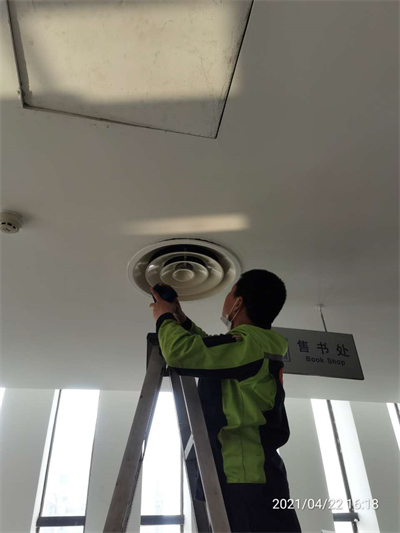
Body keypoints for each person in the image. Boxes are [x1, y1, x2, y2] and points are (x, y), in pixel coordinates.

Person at [149, 269, 301, 533]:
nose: (226, 299)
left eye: (230, 293)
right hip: (256, 474)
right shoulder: (255, 345)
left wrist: (163, 317)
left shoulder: (250, 345)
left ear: (238, 303)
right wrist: (181, 320)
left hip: (242, 476)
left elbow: (180, 353)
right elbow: (212, 350)